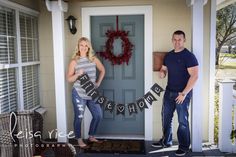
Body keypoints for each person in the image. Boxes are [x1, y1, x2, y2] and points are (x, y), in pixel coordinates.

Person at [152, 30, 199, 156]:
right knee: (166, 117)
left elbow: (194, 76)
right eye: (175, 39)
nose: (177, 42)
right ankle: (166, 141)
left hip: (182, 94)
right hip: (169, 92)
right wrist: (162, 73)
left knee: (182, 121)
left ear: (184, 40)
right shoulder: (169, 55)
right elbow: (164, 69)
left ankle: (183, 146)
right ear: (172, 40)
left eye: (180, 39)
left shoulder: (189, 56)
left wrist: (183, 93)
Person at [67, 37, 105, 148]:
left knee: (98, 115)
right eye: (81, 45)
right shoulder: (74, 61)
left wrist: (98, 83)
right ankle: (79, 140)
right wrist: (77, 74)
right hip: (78, 93)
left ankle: (91, 136)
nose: (83, 47)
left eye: (86, 45)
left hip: (92, 93)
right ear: (78, 47)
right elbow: (69, 79)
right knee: (79, 117)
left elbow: (102, 70)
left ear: (88, 47)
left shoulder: (93, 59)